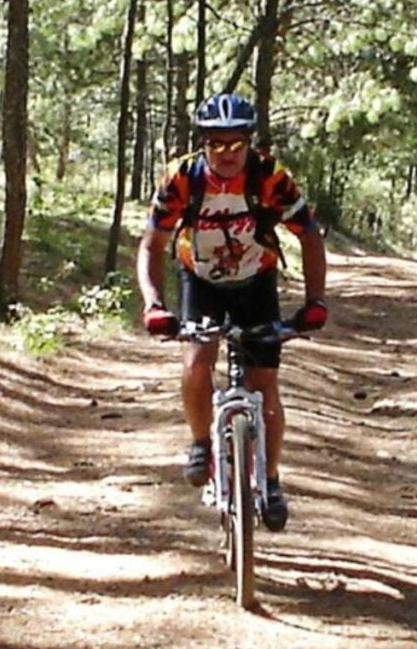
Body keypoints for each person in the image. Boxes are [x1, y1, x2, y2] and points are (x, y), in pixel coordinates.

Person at [136, 92, 328, 532]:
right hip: (199, 280)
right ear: (203, 143)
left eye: (236, 143)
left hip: (256, 281)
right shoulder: (181, 179)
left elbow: (310, 237)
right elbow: (152, 245)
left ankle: (272, 479)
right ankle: (201, 443)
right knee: (197, 359)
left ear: (250, 143)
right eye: (216, 144)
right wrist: (153, 303)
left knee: (264, 386)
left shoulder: (270, 178)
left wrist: (315, 301)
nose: (227, 153)